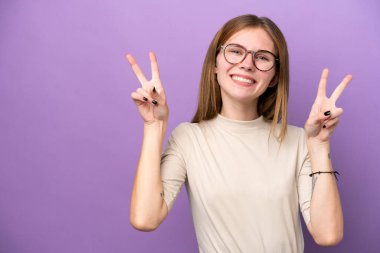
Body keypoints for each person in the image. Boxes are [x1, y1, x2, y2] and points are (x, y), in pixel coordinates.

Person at [127, 14, 351, 253]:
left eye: (262, 57)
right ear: (215, 63)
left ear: (274, 76)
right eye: (235, 51)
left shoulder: (298, 142)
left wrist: (319, 145)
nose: (247, 64)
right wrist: (153, 126)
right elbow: (145, 219)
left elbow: (328, 234)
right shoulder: (188, 139)